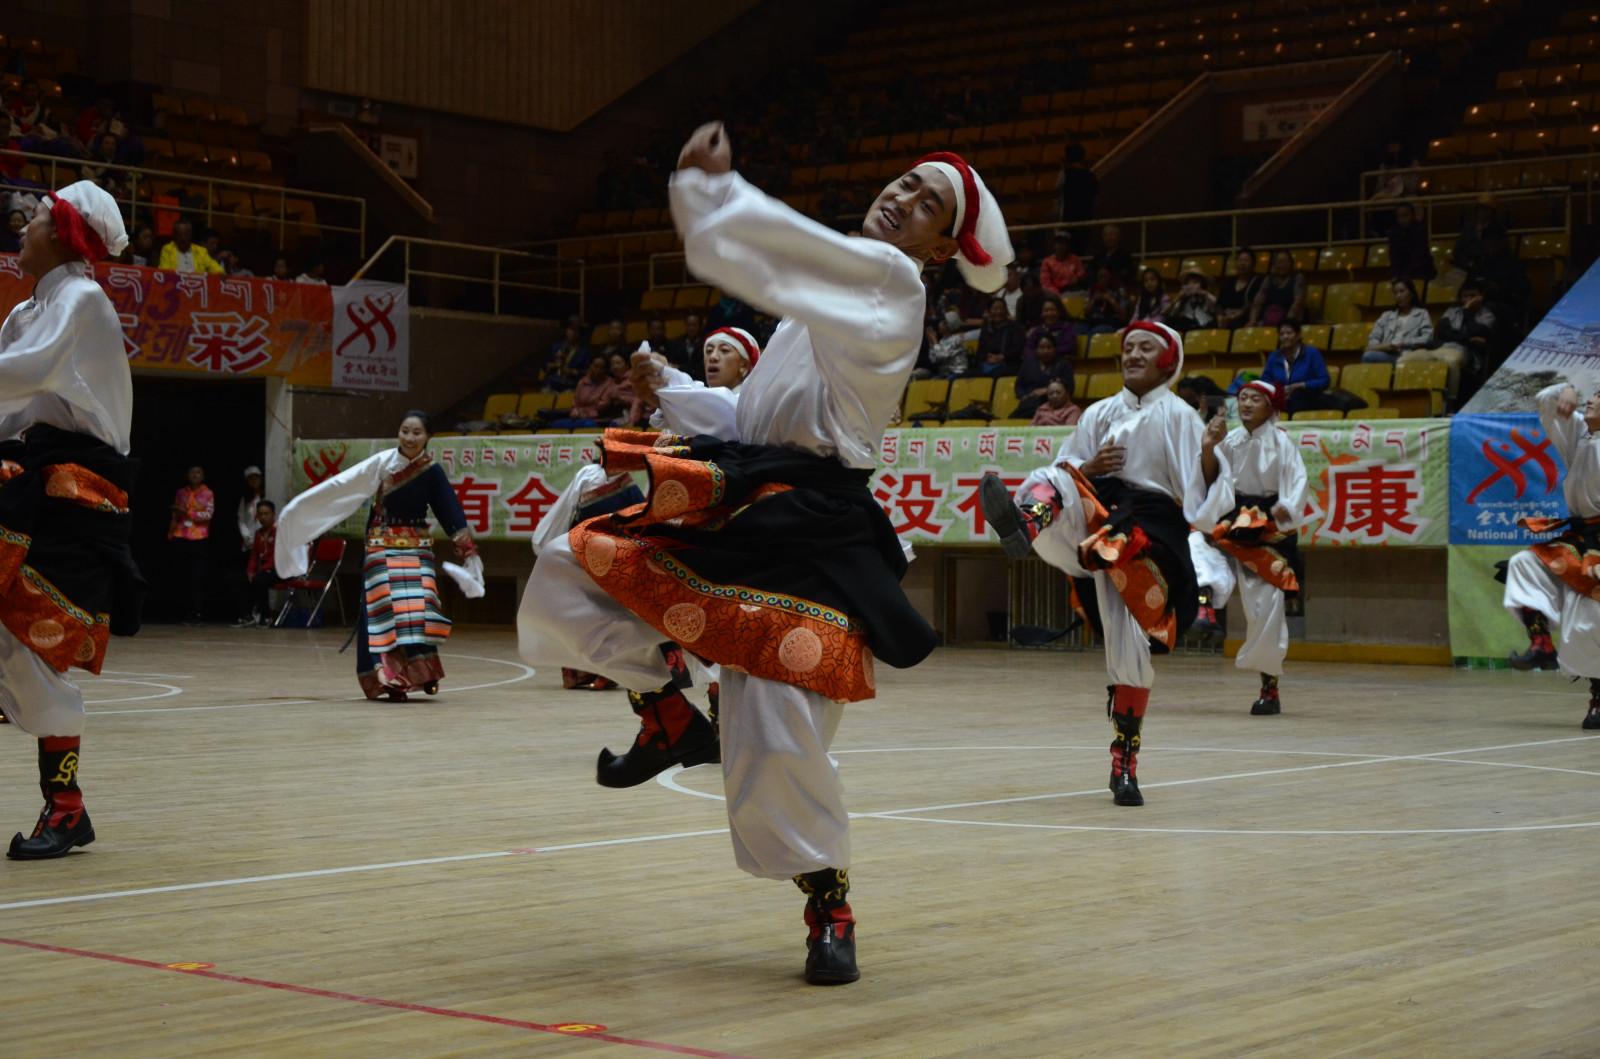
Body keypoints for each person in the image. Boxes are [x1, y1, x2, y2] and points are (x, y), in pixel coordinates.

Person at [517, 124, 1010, 985]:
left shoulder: (890, 281)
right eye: (904, 180)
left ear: (941, 246)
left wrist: (717, 193)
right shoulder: (827, 301)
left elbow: (786, 255)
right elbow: (753, 419)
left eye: (928, 201)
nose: (902, 197)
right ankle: (667, 715)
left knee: (777, 728)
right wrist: (674, 387)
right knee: (573, 562)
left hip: (814, 523)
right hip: (755, 494)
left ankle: (830, 907)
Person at [981, 321, 1232, 806]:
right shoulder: (1098, 413)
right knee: (1056, 475)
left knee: (1129, 652)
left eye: (1145, 348)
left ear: (1168, 360)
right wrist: (1088, 469)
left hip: (1150, 532)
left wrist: (1207, 453)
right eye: (1128, 347)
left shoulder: (1180, 416)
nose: (1132, 354)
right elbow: (1070, 466)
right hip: (1097, 513)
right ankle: (1028, 522)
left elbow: (1201, 501)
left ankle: (1125, 762)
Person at [0, 181, 142, 859]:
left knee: (32, 642)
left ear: (62, 232)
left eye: (31, 220)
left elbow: (25, 373)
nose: (19, 228)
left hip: (78, 492)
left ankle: (67, 807)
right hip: (33, 478)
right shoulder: (25, 310)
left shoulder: (82, 299)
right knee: (14, 642)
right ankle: (65, 805)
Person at [276, 411, 482, 701]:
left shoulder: (431, 471)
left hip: (416, 549)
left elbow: (449, 510)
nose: (409, 438)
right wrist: (298, 512)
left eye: (417, 433)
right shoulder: (382, 464)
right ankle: (389, 680)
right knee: (385, 612)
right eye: (405, 431)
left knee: (419, 609)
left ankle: (421, 671)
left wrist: (468, 551)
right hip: (381, 548)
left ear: (428, 437)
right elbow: (340, 489)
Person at [1187, 380, 1307, 714]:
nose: (1247, 403)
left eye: (1255, 398)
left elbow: (1297, 482)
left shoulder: (1282, 443)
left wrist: (1287, 507)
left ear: (1271, 406)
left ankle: (1270, 687)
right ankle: (1204, 607)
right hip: (1231, 515)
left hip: (1267, 525)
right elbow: (1210, 478)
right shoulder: (1231, 440)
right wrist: (1209, 448)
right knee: (1196, 542)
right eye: (1242, 398)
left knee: (1264, 608)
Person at [1498, 383, 1600, 730]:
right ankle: (1541, 642)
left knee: (1590, 618)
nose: (1591, 400)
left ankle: (1598, 695)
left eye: (1598, 398)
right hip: (1583, 536)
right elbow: (1546, 402)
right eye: (1592, 395)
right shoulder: (1581, 435)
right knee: (1524, 565)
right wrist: (1566, 389)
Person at [1399, 282, 1495, 400]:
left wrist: (1467, 311)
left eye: (1472, 296)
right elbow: (1443, 332)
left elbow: (1477, 331)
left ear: (1481, 296)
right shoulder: (1452, 311)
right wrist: (1468, 339)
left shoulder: (1487, 315)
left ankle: (1450, 401)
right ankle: (1405, 398)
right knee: (1404, 359)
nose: (1468, 299)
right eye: (1465, 296)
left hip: (1465, 352)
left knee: (1451, 361)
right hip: (1440, 348)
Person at [168, 465, 214, 623]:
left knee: (197, 577)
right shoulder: (181, 492)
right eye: (192, 472)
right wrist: (171, 531)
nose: (195, 475)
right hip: (181, 535)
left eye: (198, 472)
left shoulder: (208, 493)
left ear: (203, 476)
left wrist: (187, 513)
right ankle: (185, 612)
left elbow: (208, 514)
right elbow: (175, 514)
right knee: (183, 576)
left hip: (199, 537)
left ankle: (197, 612)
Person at [1258, 321, 1331, 416]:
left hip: (1307, 398)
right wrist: (1280, 390)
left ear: (1298, 335)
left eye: (1289, 333)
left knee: (1297, 399)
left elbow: (1324, 380)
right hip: (1281, 398)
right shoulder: (1274, 356)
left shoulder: (1312, 353)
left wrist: (1301, 385)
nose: (1285, 337)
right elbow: (1265, 381)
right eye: (1282, 334)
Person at [1362, 280, 1434, 367]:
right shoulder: (1386, 315)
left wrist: (1403, 343)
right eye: (1395, 293)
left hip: (1409, 355)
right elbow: (1374, 337)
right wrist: (1385, 347)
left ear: (1411, 294)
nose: (1398, 296)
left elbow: (1427, 338)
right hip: (1387, 354)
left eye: (1402, 291)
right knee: (1368, 355)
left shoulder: (1422, 314)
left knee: (1369, 356)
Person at [1013, 333, 1073, 419]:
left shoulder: (1063, 365)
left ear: (1055, 349)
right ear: (1036, 349)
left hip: (1053, 405)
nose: (1045, 351)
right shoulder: (1028, 364)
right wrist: (1026, 396)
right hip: (1028, 403)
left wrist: (1047, 390)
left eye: (1049, 347)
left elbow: (1070, 387)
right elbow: (1019, 385)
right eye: (1042, 347)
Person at [238, 499, 278, 627]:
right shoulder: (258, 533)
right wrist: (250, 571)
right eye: (260, 514)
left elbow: (276, 556)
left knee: (260, 579)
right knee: (243, 578)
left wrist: (259, 571)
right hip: (263, 570)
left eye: (266, 514)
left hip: (277, 569)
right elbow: (254, 555)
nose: (263, 517)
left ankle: (266, 616)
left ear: (273, 515)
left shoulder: (278, 532)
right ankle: (247, 615)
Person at [1248, 250, 1305, 328]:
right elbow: (1257, 302)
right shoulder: (1268, 279)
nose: (1282, 265)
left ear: (1291, 263)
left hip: (1290, 321)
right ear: (1274, 264)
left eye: (1285, 262)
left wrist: (1286, 323)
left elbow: (1298, 302)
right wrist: (1252, 321)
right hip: (1269, 319)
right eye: (1279, 262)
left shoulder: (1298, 278)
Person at [1387, 202, 1436, 284]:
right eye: (1399, 216)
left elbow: (1418, 257)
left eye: (1405, 215)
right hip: (1402, 273)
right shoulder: (1393, 233)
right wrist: (1396, 275)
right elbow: (1394, 257)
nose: (1402, 219)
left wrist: (1405, 276)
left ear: (1413, 215)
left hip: (1421, 272)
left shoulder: (1420, 231)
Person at [1217, 247, 1263, 330]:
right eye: (1240, 260)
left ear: (1253, 264)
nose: (1242, 263)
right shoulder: (1228, 282)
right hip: (1227, 318)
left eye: (1246, 260)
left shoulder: (1258, 282)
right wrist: (1220, 315)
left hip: (1245, 319)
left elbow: (1255, 304)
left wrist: (1240, 312)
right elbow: (1219, 304)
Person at [975, 296, 1024, 371]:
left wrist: (1002, 357)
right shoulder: (986, 329)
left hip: (1009, 365)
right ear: (989, 311)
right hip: (988, 365)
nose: (998, 312)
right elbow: (980, 351)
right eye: (995, 309)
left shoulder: (1015, 328)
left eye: (1001, 309)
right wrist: (987, 357)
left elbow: (1018, 349)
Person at [158, 220, 224, 275]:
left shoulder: (200, 251)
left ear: (191, 235)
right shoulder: (167, 250)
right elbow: (164, 273)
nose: (183, 238)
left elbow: (218, 271)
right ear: (174, 236)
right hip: (175, 285)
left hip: (197, 284)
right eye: (179, 235)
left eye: (186, 234)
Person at [1055, 141, 1099, 223]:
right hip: (1086, 218)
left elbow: (1057, 191)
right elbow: (1095, 196)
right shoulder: (1090, 175)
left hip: (1068, 219)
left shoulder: (1064, 174)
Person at [1083, 266, 1130, 335]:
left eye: (1104, 276)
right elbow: (1086, 313)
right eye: (1099, 277)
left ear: (1110, 277)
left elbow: (1124, 316)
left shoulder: (1119, 290)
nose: (1101, 279)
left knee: (1095, 332)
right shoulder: (1093, 289)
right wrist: (1093, 300)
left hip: (1111, 323)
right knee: (1077, 329)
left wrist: (1111, 300)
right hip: (1094, 321)